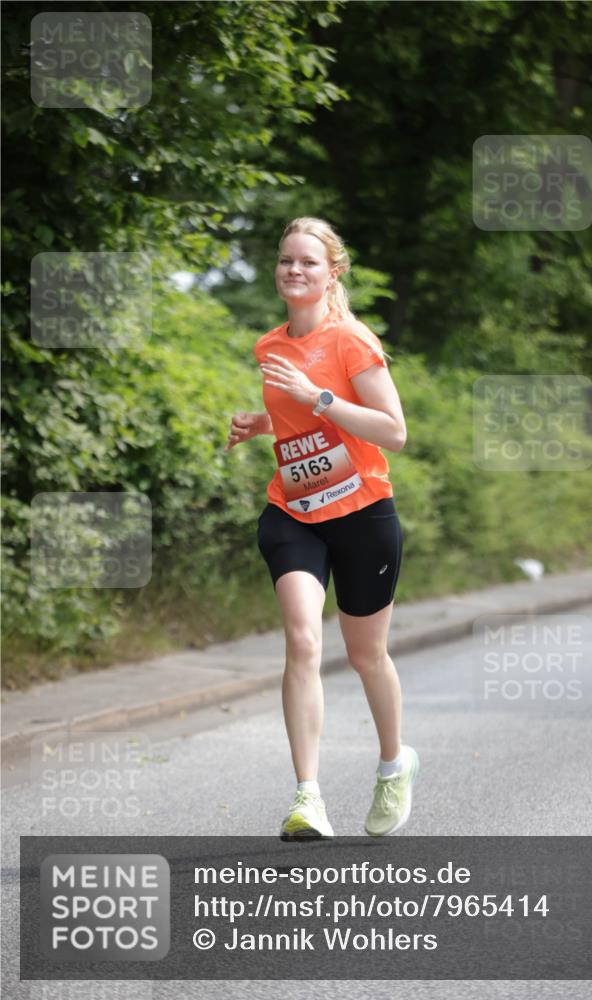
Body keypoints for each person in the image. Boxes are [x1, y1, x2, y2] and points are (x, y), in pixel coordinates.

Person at [224, 217, 419, 840]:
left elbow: (394, 431)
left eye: (307, 261)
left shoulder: (351, 341)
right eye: (285, 260)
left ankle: (393, 765)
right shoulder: (269, 346)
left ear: (331, 272)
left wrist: (315, 398)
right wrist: (264, 423)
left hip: (363, 513)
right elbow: (299, 423)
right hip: (295, 513)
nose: (293, 270)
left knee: (366, 655)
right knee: (304, 640)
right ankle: (308, 797)